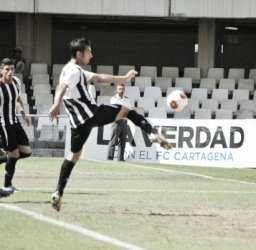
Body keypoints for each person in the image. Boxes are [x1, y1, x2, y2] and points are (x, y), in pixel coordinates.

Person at [48, 37, 172, 212]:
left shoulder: (73, 70)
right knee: (127, 110)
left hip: (78, 123)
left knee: (73, 156)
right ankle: (151, 132)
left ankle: (58, 192)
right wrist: (55, 104)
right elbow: (62, 87)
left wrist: (124, 78)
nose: (91, 54)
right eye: (89, 52)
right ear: (79, 53)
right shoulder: (73, 71)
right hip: (90, 114)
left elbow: (99, 77)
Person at [0, 58, 32, 192]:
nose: (10, 72)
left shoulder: (17, 82)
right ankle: (7, 185)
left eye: (12, 69)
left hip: (15, 122)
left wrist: (23, 112)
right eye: (7, 69)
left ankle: (3, 156)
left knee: (26, 152)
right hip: (3, 123)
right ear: (1, 71)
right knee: (14, 154)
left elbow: (17, 98)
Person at [107, 83, 131, 161]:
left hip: (124, 122)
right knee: (113, 141)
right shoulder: (113, 99)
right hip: (116, 122)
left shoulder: (127, 99)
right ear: (116, 90)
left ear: (124, 90)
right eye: (119, 89)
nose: (121, 90)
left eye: (122, 89)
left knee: (123, 142)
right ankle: (109, 158)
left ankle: (121, 159)